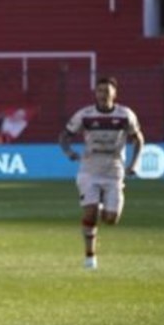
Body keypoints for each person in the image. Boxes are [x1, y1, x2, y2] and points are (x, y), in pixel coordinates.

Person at [59, 76, 143, 271]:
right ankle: (90, 258)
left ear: (115, 94)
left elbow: (138, 139)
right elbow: (64, 135)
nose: (103, 95)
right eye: (99, 91)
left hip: (114, 169)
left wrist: (134, 163)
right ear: (95, 94)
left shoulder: (125, 115)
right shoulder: (85, 115)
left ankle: (102, 203)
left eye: (107, 91)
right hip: (90, 167)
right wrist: (69, 152)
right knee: (89, 213)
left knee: (111, 219)